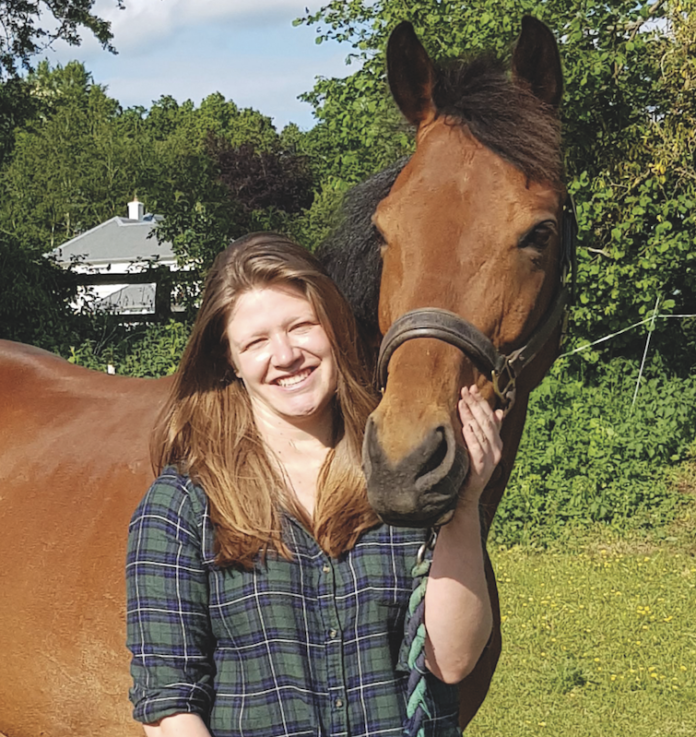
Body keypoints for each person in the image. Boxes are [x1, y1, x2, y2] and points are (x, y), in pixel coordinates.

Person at [126, 232, 503, 737]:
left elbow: (452, 662)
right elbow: (168, 706)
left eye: (301, 326)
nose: (285, 355)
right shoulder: (181, 506)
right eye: (256, 342)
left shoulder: (404, 475)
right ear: (230, 362)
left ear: (333, 329)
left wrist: (464, 504)